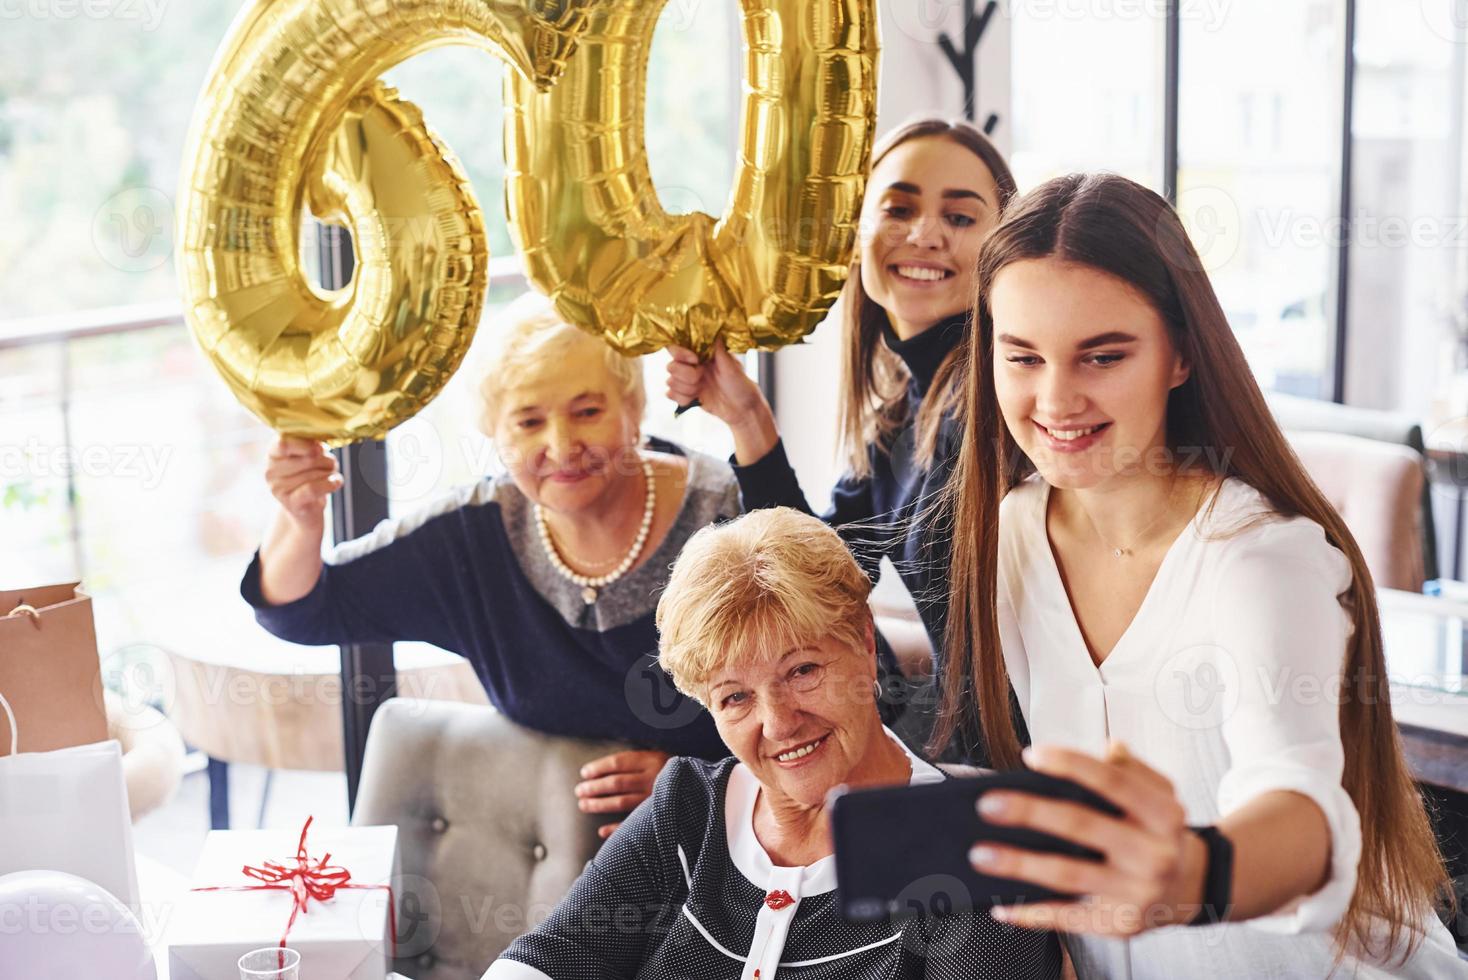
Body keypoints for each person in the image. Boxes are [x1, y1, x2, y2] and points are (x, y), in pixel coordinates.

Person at [936, 173, 1460, 977]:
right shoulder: (1009, 531)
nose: (1055, 398)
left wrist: (1192, 872)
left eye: (1103, 356)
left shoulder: (1258, 556)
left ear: (1181, 354)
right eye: (1023, 356)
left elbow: (1300, 806)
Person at [484, 507, 1064, 979]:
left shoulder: (967, 857)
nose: (779, 723)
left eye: (802, 671)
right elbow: (546, 960)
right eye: (735, 698)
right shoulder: (688, 810)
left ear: (864, 643)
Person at [241, 292, 738, 837]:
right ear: (496, 437)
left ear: (633, 409)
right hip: (575, 884)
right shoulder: (473, 533)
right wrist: (301, 516)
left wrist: (696, 785)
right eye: (528, 422)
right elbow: (303, 610)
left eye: (587, 411)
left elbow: (821, 704)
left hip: (734, 852)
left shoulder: (724, 516)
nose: (562, 445)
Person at [665, 120, 1017, 753]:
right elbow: (819, 580)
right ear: (859, 234)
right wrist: (749, 420)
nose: (927, 233)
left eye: (961, 217)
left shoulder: (1006, 402)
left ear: (1005, 244)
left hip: (1028, 764)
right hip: (958, 752)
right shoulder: (895, 415)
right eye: (899, 208)